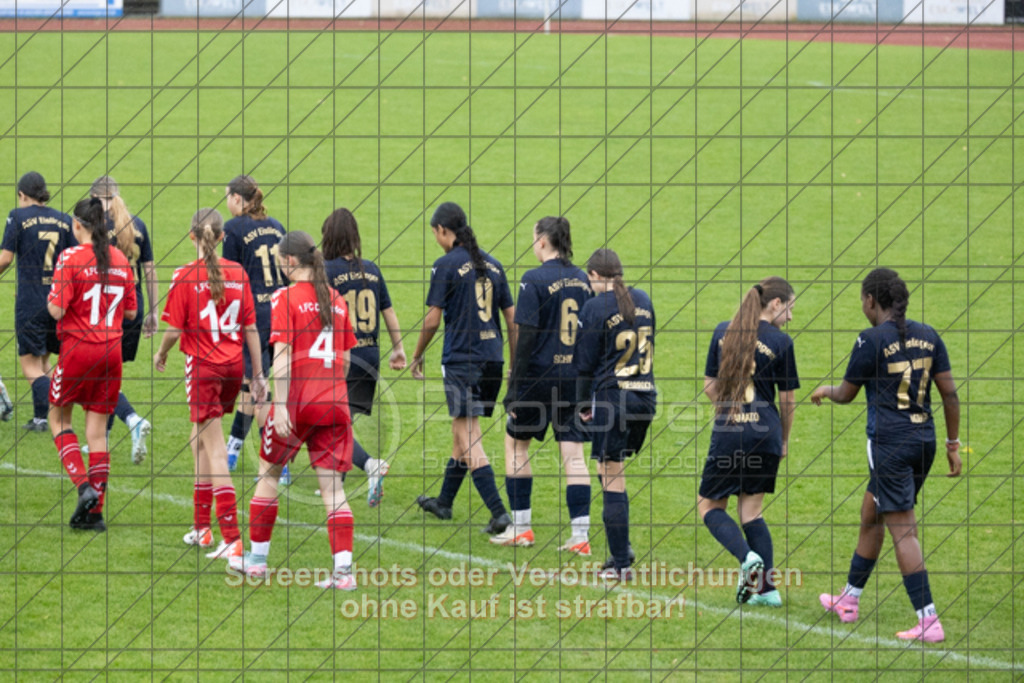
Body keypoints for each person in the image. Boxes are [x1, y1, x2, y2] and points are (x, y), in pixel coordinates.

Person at [812, 268, 961, 643]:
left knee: (902, 528)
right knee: (871, 514)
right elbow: (950, 395)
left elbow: (846, 394)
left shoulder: (870, 339)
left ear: (870, 301)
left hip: (889, 446)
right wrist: (952, 445)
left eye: (862, 300)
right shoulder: (929, 335)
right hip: (924, 442)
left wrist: (824, 390)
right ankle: (849, 599)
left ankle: (928, 621)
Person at [230, 231, 359, 590]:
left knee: (268, 476)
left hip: (298, 403)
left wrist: (281, 405)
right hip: (334, 402)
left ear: (289, 261)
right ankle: (344, 574)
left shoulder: (284, 297)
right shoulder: (335, 299)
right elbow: (346, 360)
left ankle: (256, 563)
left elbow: (283, 356)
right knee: (333, 490)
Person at [154, 208, 266, 559]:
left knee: (214, 450)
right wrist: (258, 374)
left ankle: (231, 539)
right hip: (233, 368)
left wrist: (161, 353)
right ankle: (202, 528)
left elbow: (173, 329)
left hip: (203, 369)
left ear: (192, 237)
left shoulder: (185, 275)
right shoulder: (238, 273)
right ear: (221, 238)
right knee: (199, 440)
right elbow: (250, 328)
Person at [490, 216, 594, 554]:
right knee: (574, 456)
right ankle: (580, 537)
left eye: (534, 239)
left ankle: (521, 528)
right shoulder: (583, 279)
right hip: (574, 380)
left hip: (538, 378)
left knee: (516, 446)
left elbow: (525, 337)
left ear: (543, 242)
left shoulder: (533, 279)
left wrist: (514, 390)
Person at [411, 202, 514, 534]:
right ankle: (444, 502)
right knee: (464, 432)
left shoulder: (446, 265)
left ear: (443, 230)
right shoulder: (494, 265)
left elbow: (432, 318)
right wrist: (514, 361)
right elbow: (512, 320)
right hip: (493, 359)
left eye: (435, 234)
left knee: (467, 435)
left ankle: (500, 513)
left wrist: (417, 354)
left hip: (462, 360)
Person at [699, 277, 798, 606]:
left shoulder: (722, 331)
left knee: (710, 506)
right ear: (775, 304)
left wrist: (728, 411)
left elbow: (709, 385)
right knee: (751, 512)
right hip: (765, 432)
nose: (791, 317)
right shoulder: (782, 343)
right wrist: (783, 439)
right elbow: (787, 402)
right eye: (790, 308)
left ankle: (746, 558)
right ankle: (768, 591)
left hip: (730, 430)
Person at [47, 198, 137, 532]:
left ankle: (83, 487)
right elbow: (130, 313)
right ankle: (95, 514)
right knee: (97, 432)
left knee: (58, 418)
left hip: (78, 350)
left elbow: (56, 310)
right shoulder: (119, 259)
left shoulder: (70, 258)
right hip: (110, 353)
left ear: (78, 225)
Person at [573, 248, 656, 581]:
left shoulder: (594, 308)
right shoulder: (644, 299)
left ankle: (620, 562)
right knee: (612, 471)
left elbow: (584, 367)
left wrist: (581, 407)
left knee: (611, 478)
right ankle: (622, 549)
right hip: (645, 399)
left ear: (594, 276)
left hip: (613, 400)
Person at [322, 207, 407, 506]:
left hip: (344, 356)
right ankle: (336, 483)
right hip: (370, 355)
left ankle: (371, 464)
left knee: (332, 422)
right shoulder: (371, 268)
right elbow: (389, 311)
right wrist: (398, 349)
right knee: (343, 422)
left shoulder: (327, 270)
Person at [221, 175, 289, 482]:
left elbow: (228, 277)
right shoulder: (276, 227)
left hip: (253, 318)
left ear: (237, 199)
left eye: (227, 197)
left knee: (256, 387)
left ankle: (277, 461)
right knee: (253, 387)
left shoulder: (233, 229)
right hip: (281, 313)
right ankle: (233, 448)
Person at [0, 172, 76, 430]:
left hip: (31, 302)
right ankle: (42, 418)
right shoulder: (64, 220)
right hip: (59, 303)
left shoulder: (17, 216)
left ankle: (60, 408)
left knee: (31, 365)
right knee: (44, 361)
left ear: (22, 194)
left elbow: (5, 259)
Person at [89, 176, 155, 465]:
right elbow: (150, 270)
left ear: (95, 198)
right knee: (110, 372)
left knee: (98, 375)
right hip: (134, 307)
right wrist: (153, 311)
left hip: (106, 308)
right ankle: (103, 436)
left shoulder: (97, 228)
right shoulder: (137, 225)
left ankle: (132, 419)